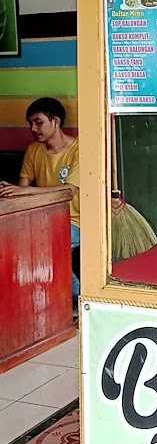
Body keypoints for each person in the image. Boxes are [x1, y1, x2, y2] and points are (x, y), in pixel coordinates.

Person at [0, 97, 80, 312]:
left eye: (38, 122)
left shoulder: (79, 149)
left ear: (56, 121)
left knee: (48, 244)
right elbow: (21, 190)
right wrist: (9, 191)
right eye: (30, 124)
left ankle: (77, 299)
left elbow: (69, 190)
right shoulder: (34, 150)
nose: (33, 129)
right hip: (42, 219)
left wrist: (25, 190)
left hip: (76, 221)